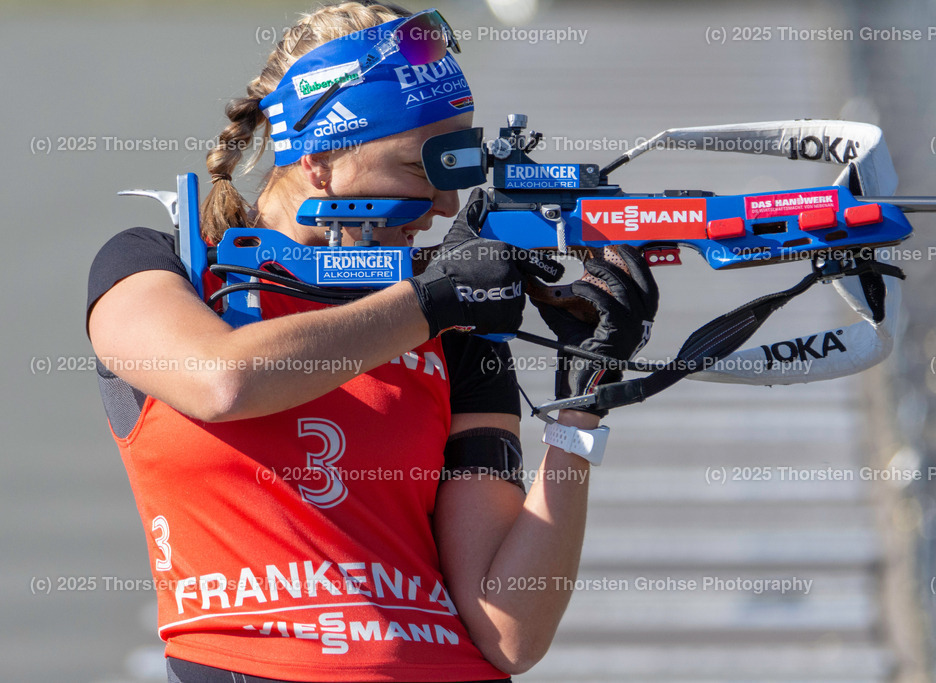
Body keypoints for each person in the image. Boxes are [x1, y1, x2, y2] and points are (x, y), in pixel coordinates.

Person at [86, 3, 658, 682]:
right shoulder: (162, 266)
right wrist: (435, 298)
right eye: (423, 172)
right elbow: (223, 382)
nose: (447, 208)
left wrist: (580, 409)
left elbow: (512, 631)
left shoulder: (456, 332)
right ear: (322, 159)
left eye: (456, 177)